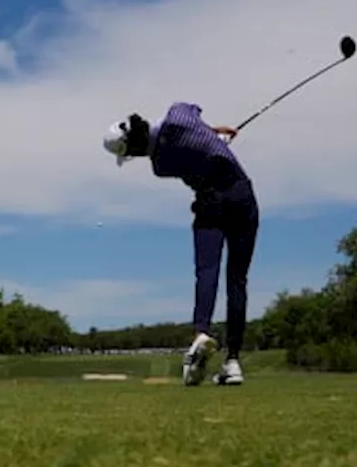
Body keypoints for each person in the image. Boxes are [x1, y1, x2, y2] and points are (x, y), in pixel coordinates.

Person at [102, 102, 259, 386]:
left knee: (207, 270)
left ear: (133, 150)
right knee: (237, 279)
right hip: (240, 194)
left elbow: (191, 152)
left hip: (210, 202)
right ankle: (233, 361)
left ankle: (201, 332)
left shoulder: (159, 165)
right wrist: (215, 135)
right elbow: (193, 120)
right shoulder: (178, 113)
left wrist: (213, 139)